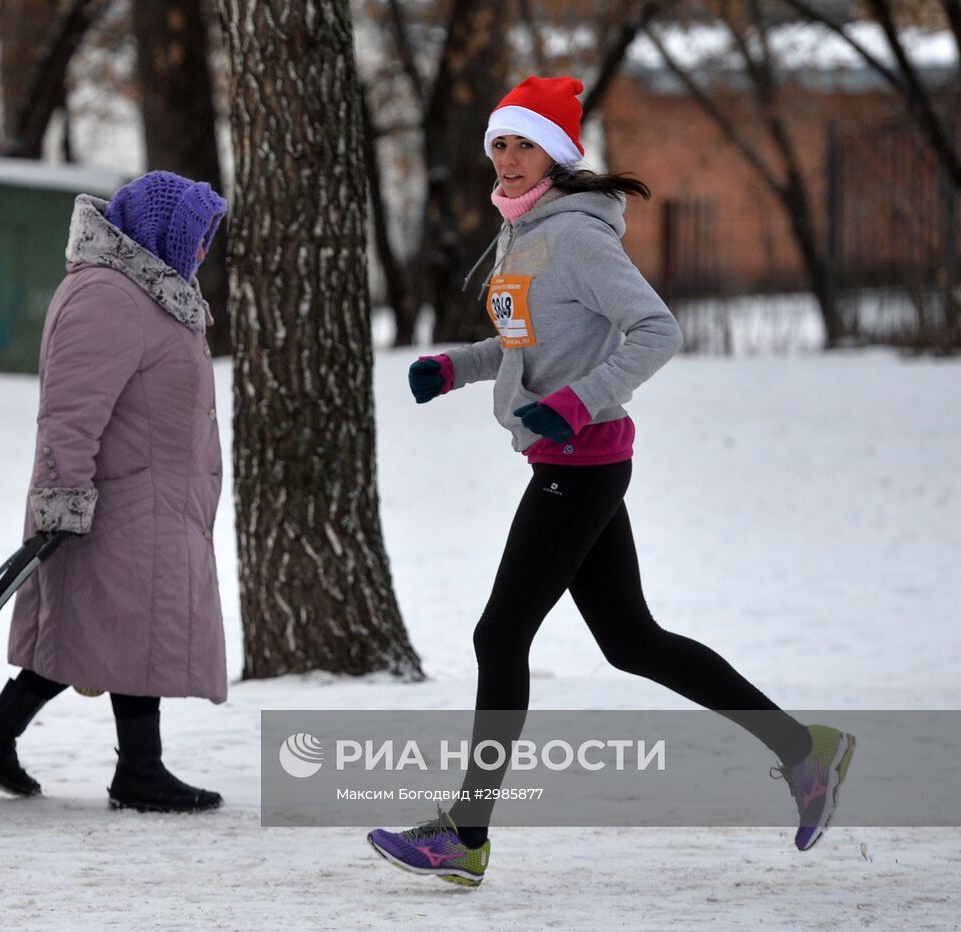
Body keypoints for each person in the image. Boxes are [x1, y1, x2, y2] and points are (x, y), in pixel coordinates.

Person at [366, 76, 855, 887]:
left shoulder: (579, 238)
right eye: (499, 143)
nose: (508, 158)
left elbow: (656, 329)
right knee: (631, 641)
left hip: (583, 461)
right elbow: (529, 346)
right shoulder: (523, 234)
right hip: (567, 460)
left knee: (499, 636)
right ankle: (807, 751)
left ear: (557, 152)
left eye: (524, 144)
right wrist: (457, 364)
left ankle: (465, 834)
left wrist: (577, 403)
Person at [0, 171, 229, 814]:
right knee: (128, 629)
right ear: (162, 234)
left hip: (147, 499)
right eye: (196, 235)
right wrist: (63, 499)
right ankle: (140, 771)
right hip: (119, 501)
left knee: (106, 630)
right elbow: (69, 413)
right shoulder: (110, 295)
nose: (203, 250)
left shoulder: (148, 292)